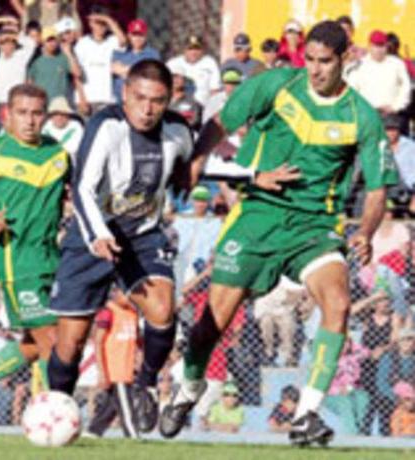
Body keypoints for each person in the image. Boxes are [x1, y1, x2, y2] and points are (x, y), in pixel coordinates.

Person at [159, 20, 399, 447]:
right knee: (212, 325)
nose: (315, 70)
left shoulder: (362, 116)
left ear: (346, 59)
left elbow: (379, 189)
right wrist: (197, 159)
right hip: (257, 215)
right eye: (309, 59)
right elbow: (221, 121)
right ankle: (190, 387)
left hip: (315, 228)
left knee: (338, 303)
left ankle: (306, 415)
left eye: (325, 62)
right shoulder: (276, 84)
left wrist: (365, 230)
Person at [46, 59, 194, 435]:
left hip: (142, 237)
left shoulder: (178, 131)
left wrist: (184, 182)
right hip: (91, 236)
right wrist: (98, 234)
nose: (147, 109)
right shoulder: (106, 126)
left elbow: (189, 162)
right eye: (140, 98)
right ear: (125, 94)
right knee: (71, 343)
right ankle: (58, 413)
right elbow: (81, 188)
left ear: (168, 100)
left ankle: (144, 385)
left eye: (157, 101)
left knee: (163, 311)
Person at [0, 83, 70, 425]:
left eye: (37, 113)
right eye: (22, 113)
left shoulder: (58, 153)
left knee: (36, 341)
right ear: (8, 115)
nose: (30, 121)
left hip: (51, 258)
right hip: (16, 260)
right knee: (51, 337)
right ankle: (55, 419)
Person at [86, 288, 140, 438]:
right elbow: (98, 341)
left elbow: (138, 339)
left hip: (128, 366)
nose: (132, 297)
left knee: (112, 404)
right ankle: (132, 434)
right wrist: (102, 372)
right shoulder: (108, 312)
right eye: (127, 293)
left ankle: (93, 431)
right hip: (115, 367)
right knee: (125, 403)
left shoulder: (133, 313)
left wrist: (139, 358)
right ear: (116, 292)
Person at [73, 5, 126, 115]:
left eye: (104, 24)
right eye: (98, 23)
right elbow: (76, 74)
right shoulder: (82, 43)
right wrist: (82, 99)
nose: (101, 27)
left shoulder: (112, 41)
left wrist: (107, 19)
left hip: (107, 99)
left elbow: (123, 41)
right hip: (88, 100)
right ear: (91, 24)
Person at [347, 30, 411, 116]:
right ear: (370, 46)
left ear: (386, 46)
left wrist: (395, 107)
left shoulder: (397, 64)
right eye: (376, 46)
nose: (379, 49)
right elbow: (352, 90)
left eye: (382, 46)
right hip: (367, 114)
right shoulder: (359, 65)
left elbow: (406, 87)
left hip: (392, 115)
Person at [27, 26, 82, 104]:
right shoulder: (36, 62)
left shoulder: (64, 59)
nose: (52, 43)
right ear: (43, 42)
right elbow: (29, 84)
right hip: (42, 104)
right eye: (49, 40)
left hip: (61, 105)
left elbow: (78, 73)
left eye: (54, 40)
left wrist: (68, 53)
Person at [111, 19, 160, 103]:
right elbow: (113, 68)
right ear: (129, 35)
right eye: (134, 35)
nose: (137, 38)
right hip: (118, 100)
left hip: (140, 101)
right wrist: (136, 71)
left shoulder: (152, 54)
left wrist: (124, 70)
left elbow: (150, 74)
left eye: (141, 35)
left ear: (145, 36)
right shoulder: (121, 52)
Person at [167, 35, 221, 106]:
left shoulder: (209, 63)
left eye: (197, 49)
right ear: (184, 50)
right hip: (176, 107)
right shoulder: (173, 64)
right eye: (190, 49)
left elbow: (215, 91)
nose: (193, 52)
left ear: (203, 50)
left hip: (203, 108)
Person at [42, 96, 84, 164]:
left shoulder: (75, 127)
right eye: (56, 114)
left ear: (68, 115)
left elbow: (73, 149)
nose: (59, 117)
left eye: (62, 114)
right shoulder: (46, 127)